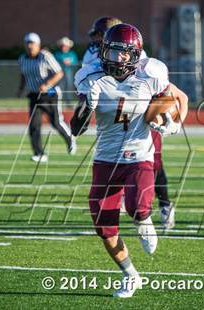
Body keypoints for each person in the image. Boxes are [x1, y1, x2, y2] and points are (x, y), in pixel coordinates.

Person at [71, 23, 188, 298]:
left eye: (123, 54)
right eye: (112, 53)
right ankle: (130, 275)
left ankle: (144, 219)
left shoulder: (151, 72)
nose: (116, 59)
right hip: (106, 157)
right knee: (103, 224)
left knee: (137, 206)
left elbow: (171, 100)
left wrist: (170, 123)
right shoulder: (91, 76)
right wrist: (87, 106)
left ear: (135, 54)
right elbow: (76, 129)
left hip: (139, 153)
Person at [83, 16, 176, 230]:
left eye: (98, 35)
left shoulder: (141, 60)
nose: (95, 41)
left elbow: (169, 93)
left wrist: (169, 116)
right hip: (112, 117)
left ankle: (162, 203)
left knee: (153, 162)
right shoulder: (91, 57)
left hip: (139, 116)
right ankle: (128, 197)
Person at [17, 32, 76, 163]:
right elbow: (23, 75)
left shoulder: (45, 56)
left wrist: (47, 84)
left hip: (50, 94)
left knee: (56, 122)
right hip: (34, 95)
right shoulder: (22, 58)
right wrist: (20, 89)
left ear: (38, 44)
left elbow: (59, 73)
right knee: (34, 125)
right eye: (27, 43)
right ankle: (39, 153)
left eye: (32, 43)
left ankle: (70, 139)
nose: (30, 46)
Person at [54, 37, 79, 103]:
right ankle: (59, 102)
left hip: (69, 73)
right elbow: (54, 63)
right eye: (62, 45)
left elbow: (75, 63)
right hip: (59, 74)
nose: (63, 47)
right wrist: (62, 62)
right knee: (60, 88)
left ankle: (69, 103)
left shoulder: (72, 54)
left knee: (69, 88)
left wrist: (70, 63)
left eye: (65, 45)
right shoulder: (57, 54)